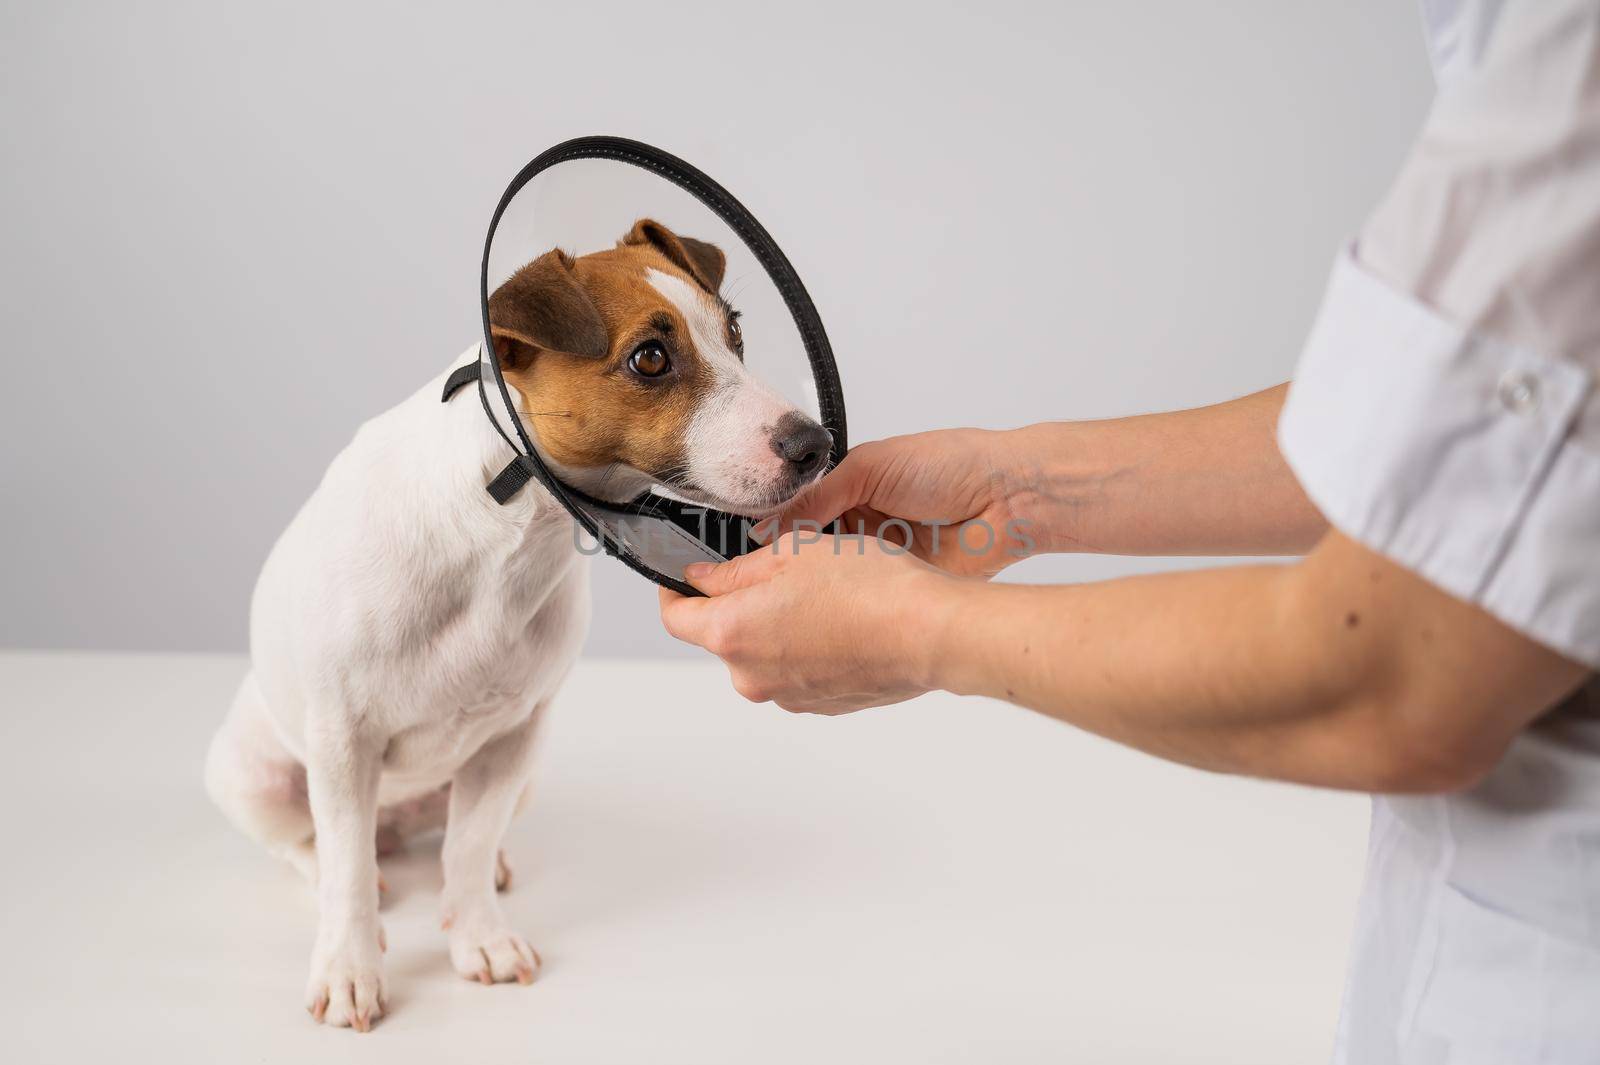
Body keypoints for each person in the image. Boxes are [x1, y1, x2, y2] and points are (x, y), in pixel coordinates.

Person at [659, 1, 1600, 1060]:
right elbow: (1454, 439)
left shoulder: (1568, 77)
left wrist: (914, 630)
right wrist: (1017, 496)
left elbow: (1391, 683)